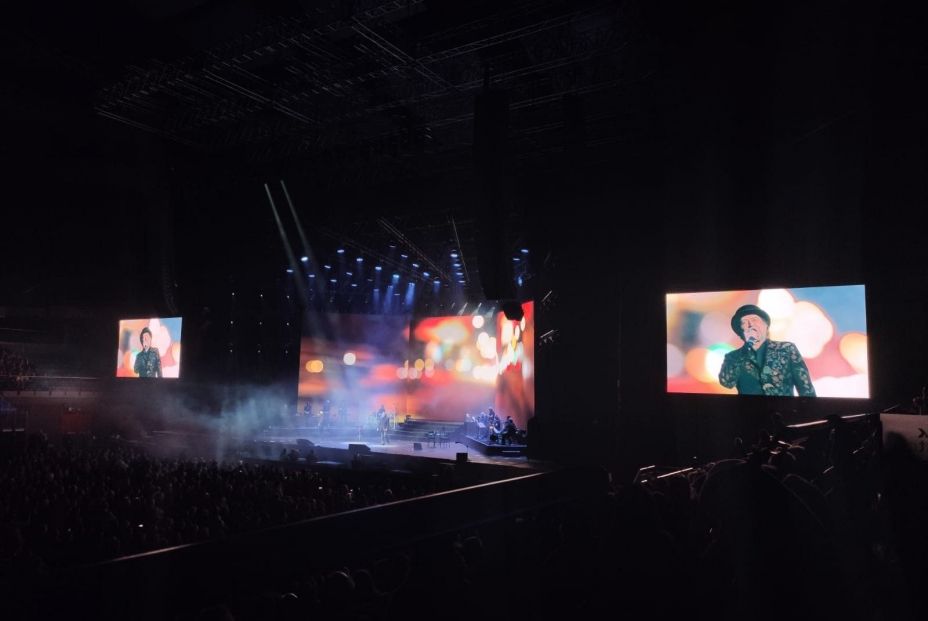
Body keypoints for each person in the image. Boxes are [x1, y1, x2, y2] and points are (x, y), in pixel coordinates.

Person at [718, 304, 815, 396]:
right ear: (741, 331)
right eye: (744, 322)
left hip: (783, 411)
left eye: (754, 319)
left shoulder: (787, 349)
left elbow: (805, 387)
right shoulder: (733, 357)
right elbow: (727, 382)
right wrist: (745, 349)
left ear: (766, 326)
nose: (750, 324)